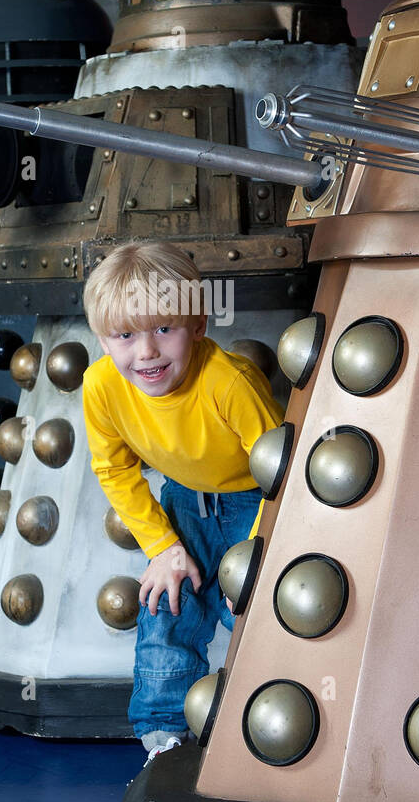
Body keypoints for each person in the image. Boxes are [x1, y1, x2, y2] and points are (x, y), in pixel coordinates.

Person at [81, 239, 285, 761]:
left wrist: (260, 550)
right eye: (124, 335)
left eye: (163, 329)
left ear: (198, 326)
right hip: (184, 501)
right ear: (103, 341)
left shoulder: (230, 382)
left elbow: (280, 474)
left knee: (260, 612)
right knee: (165, 605)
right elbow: (114, 467)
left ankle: (273, 729)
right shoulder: (101, 386)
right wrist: (162, 547)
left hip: (255, 502)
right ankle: (164, 736)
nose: (145, 352)